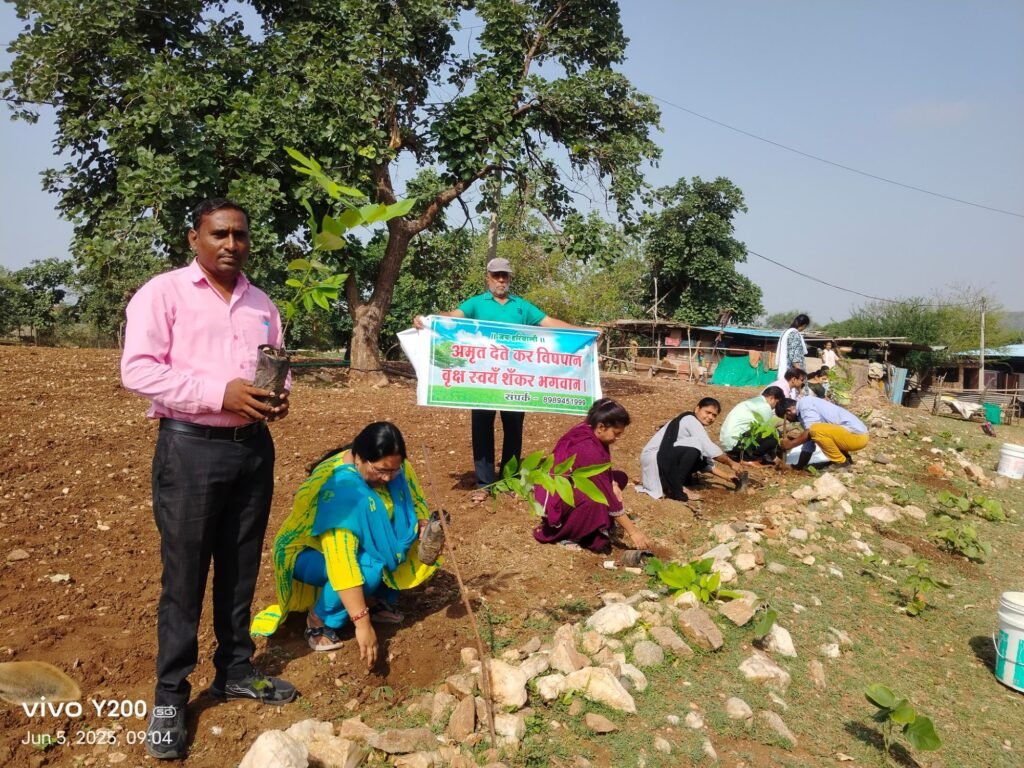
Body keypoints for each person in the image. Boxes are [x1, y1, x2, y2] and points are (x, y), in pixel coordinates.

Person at [120, 198, 295, 760]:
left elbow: (276, 366)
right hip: (190, 448)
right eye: (219, 234)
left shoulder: (262, 303)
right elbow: (138, 369)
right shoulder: (163, 293)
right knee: (185, 574)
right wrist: (217, 393)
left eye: (240, 236)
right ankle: (170, 695)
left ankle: (236, 669)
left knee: (241, 566)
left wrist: (278, 400)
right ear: (193, 236)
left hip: (252, 451)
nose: (231, 245)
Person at [251, 422, 438, 667]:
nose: (388, 477)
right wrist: (362, 623)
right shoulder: (340, 489)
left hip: (360, 545)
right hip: (307, 552)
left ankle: (375, 599)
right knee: (369, 568)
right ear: (359, 458)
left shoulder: (395, 467)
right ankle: (319, 620)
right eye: (381, 471)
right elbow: (342, 561)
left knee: (404, 538)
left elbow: (414, 500)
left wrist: (422, 523)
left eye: (394, 471)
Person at [414, 257, 581, 502]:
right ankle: (484, 483)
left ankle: (508, 480)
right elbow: (452, 315)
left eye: (505, 275)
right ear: (488, 278)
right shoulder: (476, 304)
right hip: (483, 380)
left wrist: (583, 332)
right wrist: (428, 320)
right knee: (482, 430)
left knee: (514, 430)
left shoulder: (522, 307)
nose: (501, 280)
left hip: (515, 381)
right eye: (496, 275)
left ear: (510, 278)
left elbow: (549, 323)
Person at [533, 399, 650, 553]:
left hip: (571, 485)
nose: (617, 439)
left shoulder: (589, 428)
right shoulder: (587, 448)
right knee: (597, 500)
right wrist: (633, 531)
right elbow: (606, 495)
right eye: (616, 433)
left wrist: (613, 484)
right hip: (556, 501)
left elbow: (603, 471)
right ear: (601, 427)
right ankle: (569, 534)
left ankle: (591, 519)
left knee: (619, 478)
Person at [637, 397, 746, 502]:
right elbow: (708, 448)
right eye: (707, 412)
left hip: (661, 458)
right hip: (655, 457)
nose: (710, 417)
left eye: (714, 415)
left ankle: (672, 483)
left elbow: (702, 461)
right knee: (696, 446)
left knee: (697, 449)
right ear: (697, 409)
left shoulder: (692, 422)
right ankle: (676, 488)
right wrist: (731, 462)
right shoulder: (690, 420)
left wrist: (726, 476)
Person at [776, 396, 870, 471]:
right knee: (815, 431)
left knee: (815, 429)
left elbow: (811, 431)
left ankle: (841, 463)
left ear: (789, 411)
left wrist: (791, 444)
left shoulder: (805, 404)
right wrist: (798, 467)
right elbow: (809, 443)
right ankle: (845, 459)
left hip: (857, 437)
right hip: (854, 437)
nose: (791, 421)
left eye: (788, 418)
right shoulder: (805, 413)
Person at [719, 386, 785, 464]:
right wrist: (775, 458)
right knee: (773, 436)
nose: (775, 407)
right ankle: (749, 459)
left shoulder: (754, 402)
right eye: (776, 403)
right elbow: (767, 432)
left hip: (727, 444)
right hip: (736, 444)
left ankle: (740, 455)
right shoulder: (765, 407)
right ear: (772, 398)